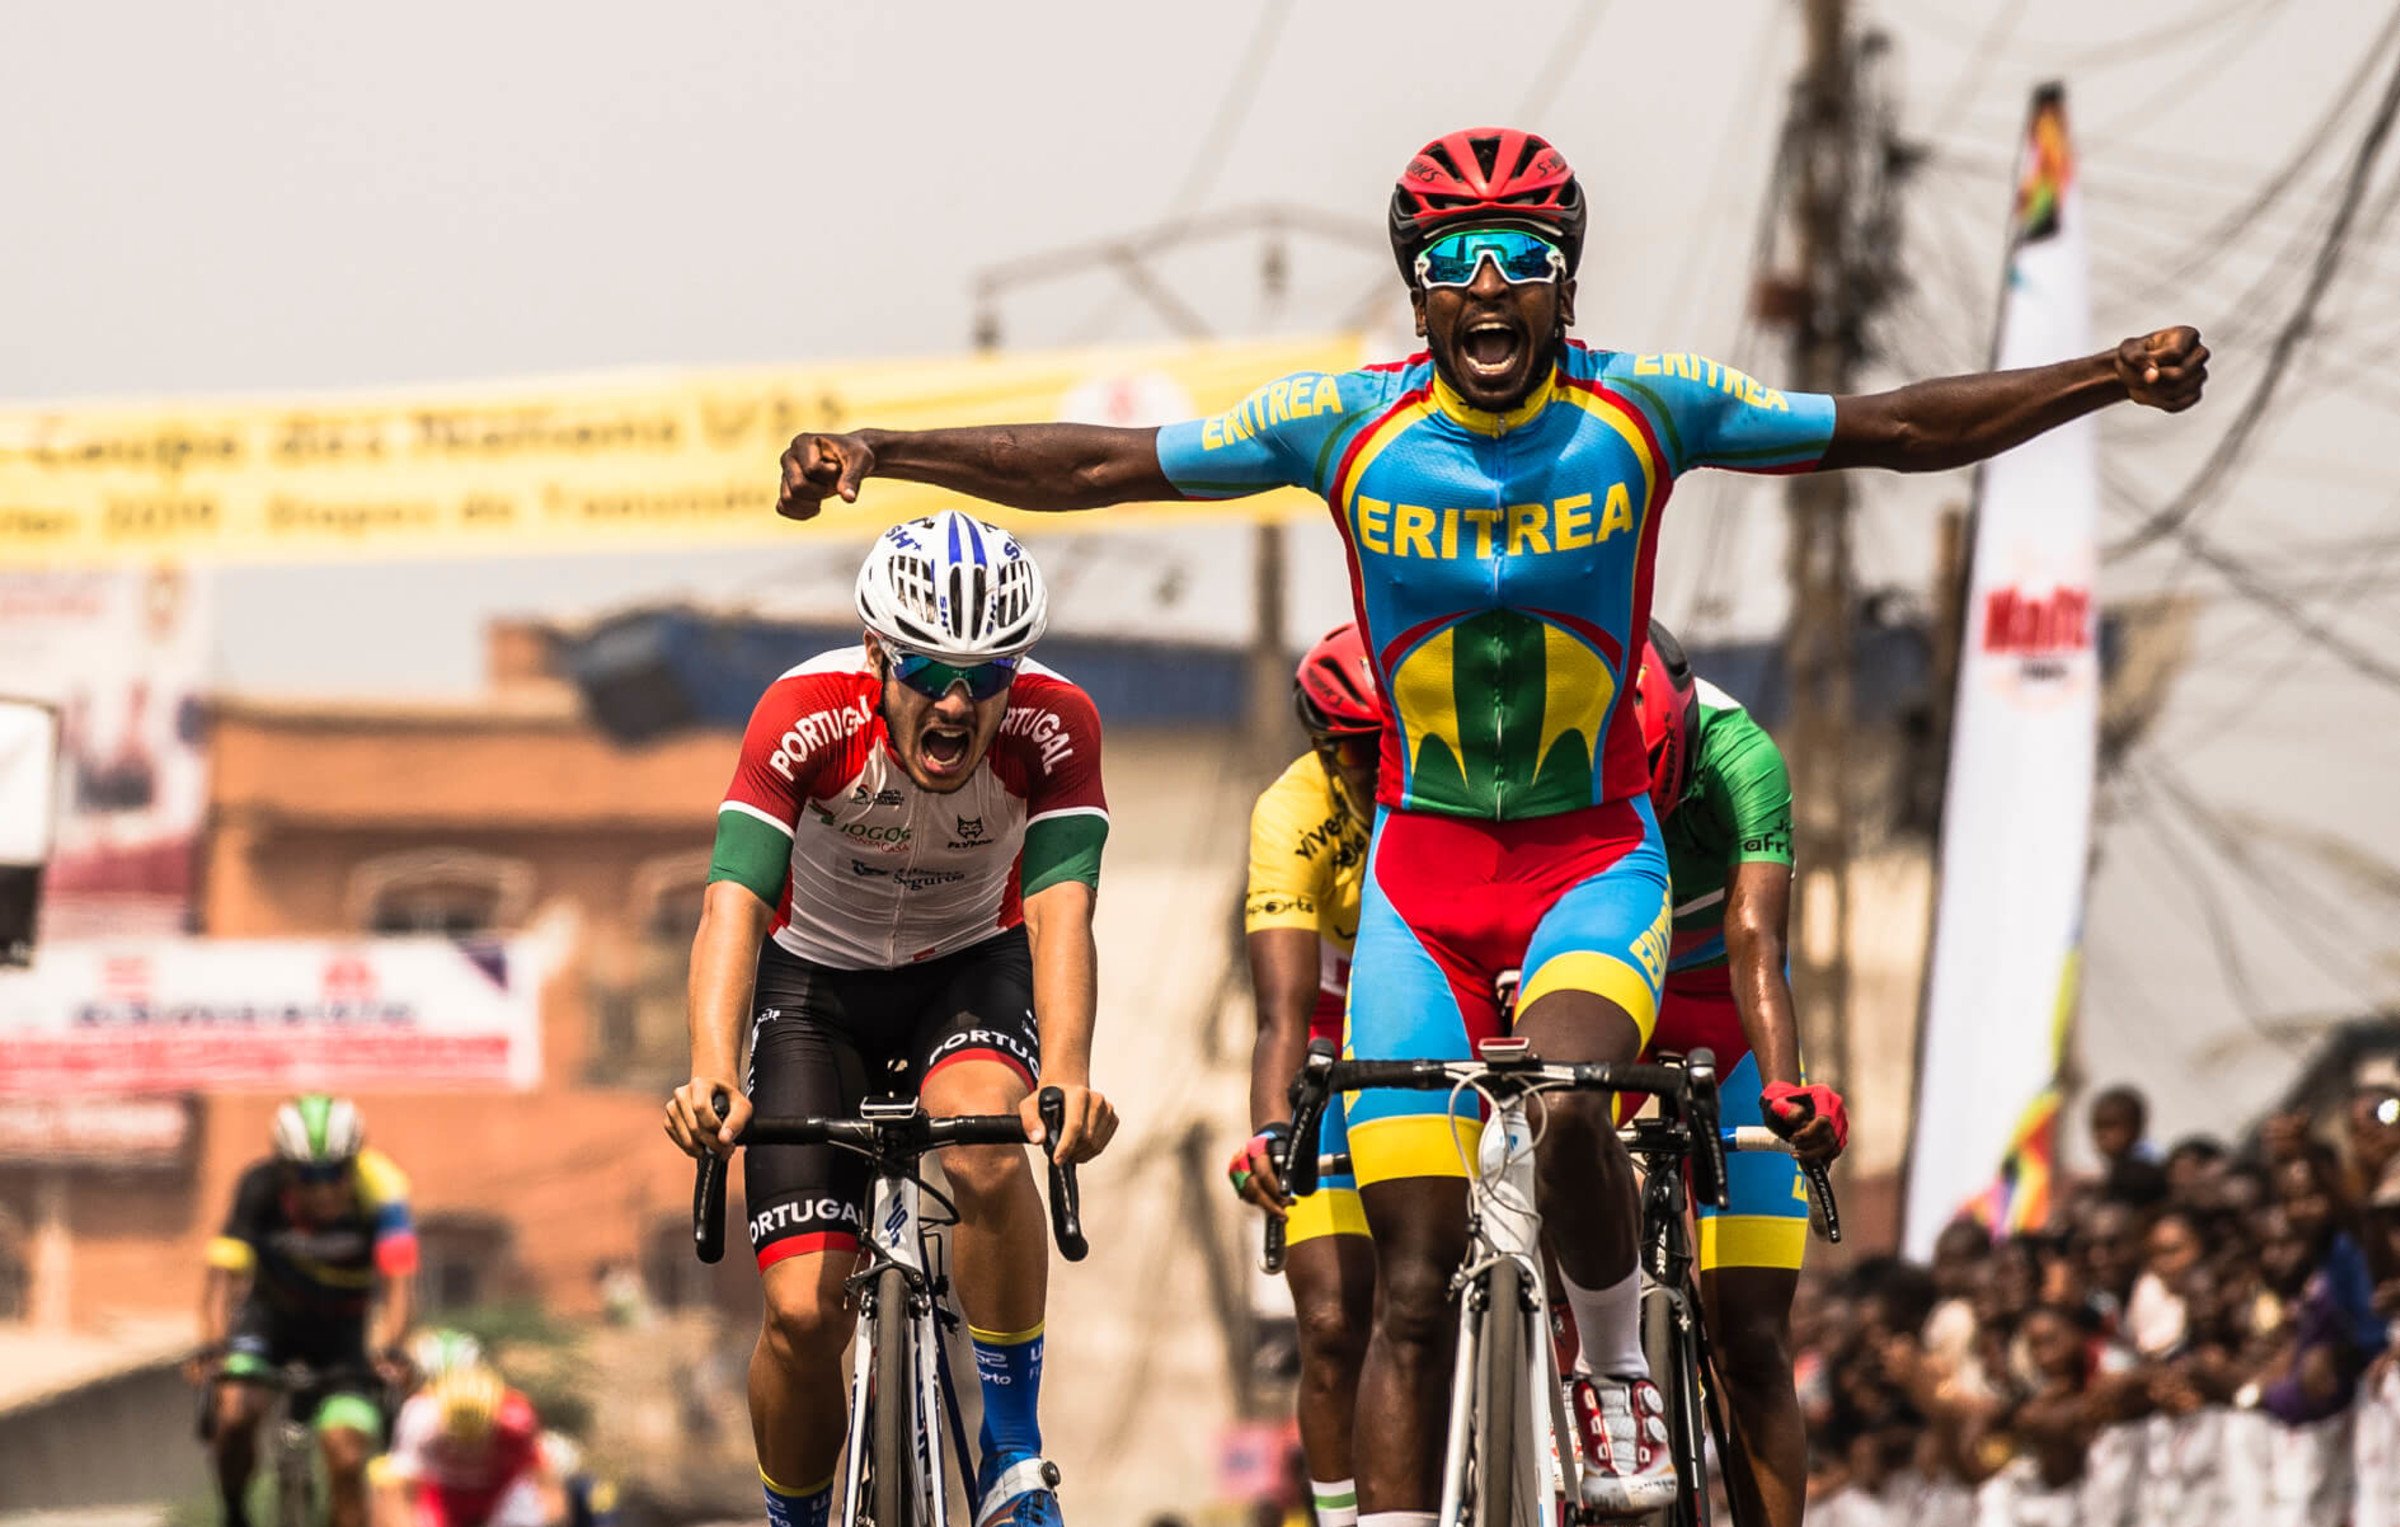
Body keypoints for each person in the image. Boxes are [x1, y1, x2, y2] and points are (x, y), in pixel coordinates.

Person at [772, 126, 2207, 1523]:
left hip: (1592, 863)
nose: (1488, 287)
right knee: (1409, 1281)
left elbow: (1891, 430)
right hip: (1422, 880)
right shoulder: (1348, 423)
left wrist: (2105, 376)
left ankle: (1618, 1365)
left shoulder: (1647, 406)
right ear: (1417, 291)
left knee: (1575, 1099)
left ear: (1565, 283)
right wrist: (886, 447)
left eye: (1521, 257)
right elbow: (1107, 465)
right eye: (1454, 260)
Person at [662, 511, 1117, 1527]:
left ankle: (1009, 1454)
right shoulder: (804, 713)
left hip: (967, 972)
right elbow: (733, 904)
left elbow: (1059, 912)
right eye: (927, 671)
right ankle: (796, 1517)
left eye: (988, 674)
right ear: (876, 654)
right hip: (814, 988)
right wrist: (712, 1070)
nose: (958, 701)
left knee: (990, 1149)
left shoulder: (1057, 725)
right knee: (796, 1315)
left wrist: (1071, 1076)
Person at [1621, 624, 1843, 1527]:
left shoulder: (1743, 752)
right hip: (1617, 1010)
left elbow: (1758, 938)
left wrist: (1786, 1088)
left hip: (1730, 1022)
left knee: (1750, 1339)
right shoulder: (1564, 743)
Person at [1226, 622, 1382, 1527]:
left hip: (1452, 1028)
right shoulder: (1292, 811)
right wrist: (1269, 1137)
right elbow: (1281, 1013)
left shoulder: (1447, 783)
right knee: (1329, 1326)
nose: (1365, 768)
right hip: (1330, 1043)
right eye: (1346, 753)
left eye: (1380, 747)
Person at [193, 1095, 418, 1527]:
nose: (324, 1188)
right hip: (269, 1322)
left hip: (342, 1333)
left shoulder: (384, 1189)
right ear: (284, 1170)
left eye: (336, 1172)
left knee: (347, 1452)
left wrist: (391, 1350)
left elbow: (399, 1285)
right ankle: (236, 1512)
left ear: (354, 1162)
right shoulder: (259, 1187)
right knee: (236, 1410)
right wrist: (213, 1344)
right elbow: (222, 1278)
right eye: (308, 1175)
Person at [372, 1361, 564, 1527]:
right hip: (440, 1494)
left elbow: (545, 1484)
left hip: (501, 1492)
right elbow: (396, 1488)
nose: (467, 1443)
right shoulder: (420, 1417)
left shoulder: (517, 1422)